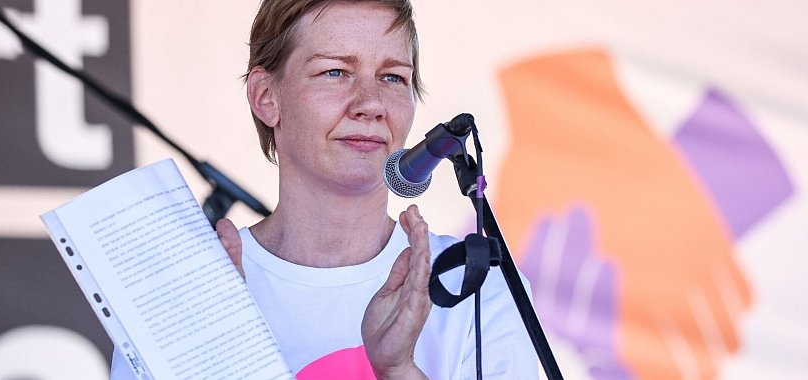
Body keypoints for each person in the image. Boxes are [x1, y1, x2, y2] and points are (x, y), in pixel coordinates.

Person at [110, 0, 538, 378]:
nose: (370, 103)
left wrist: (398, 372)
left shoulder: (479, 284)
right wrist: (223, 353)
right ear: (265, 97)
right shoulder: (187, 291)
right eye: (335, 72)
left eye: (392, 77)